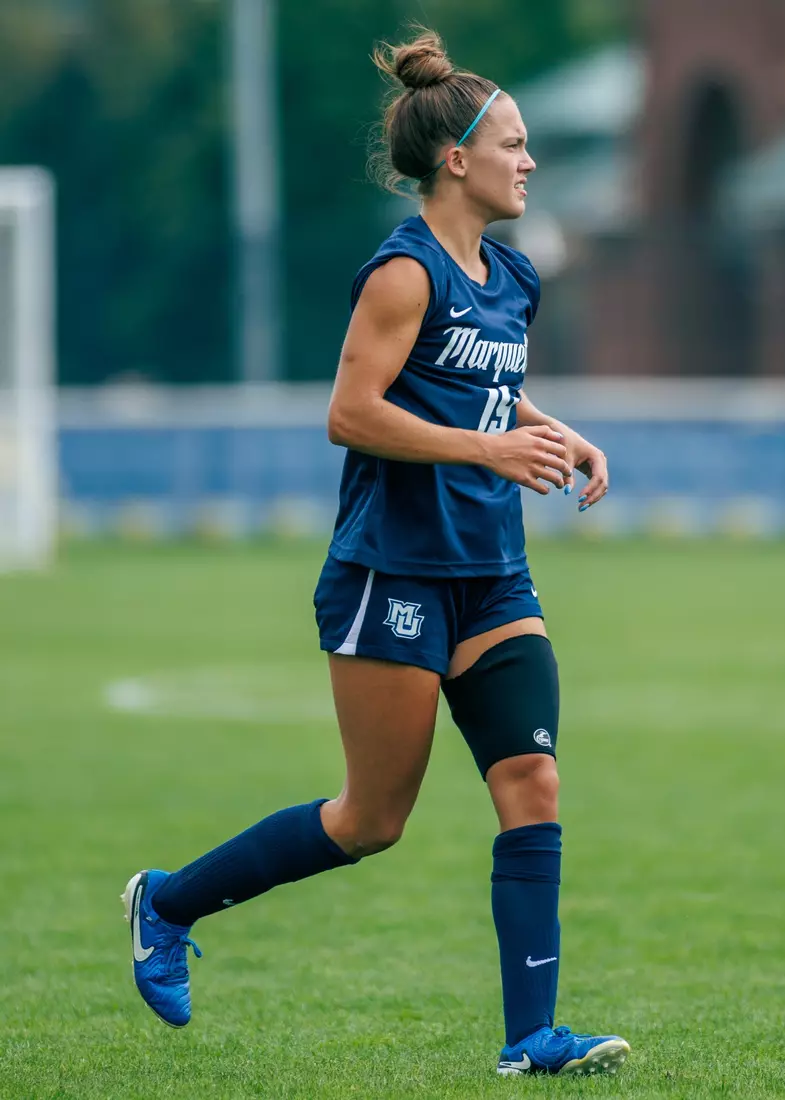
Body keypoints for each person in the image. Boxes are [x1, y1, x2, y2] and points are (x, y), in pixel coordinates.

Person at [122, 28, 629, 1078]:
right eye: (516, 145)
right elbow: (351, 412)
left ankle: (531, 1038)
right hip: (390, 572)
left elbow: (477, 379)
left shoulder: (513, 276)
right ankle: (163, 901)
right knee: (370, 819)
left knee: (531, 778)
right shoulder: (401, 273)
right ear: (457, 160)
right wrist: (488, 444)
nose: (529, 162)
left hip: (491, 568)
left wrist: (551, 425)